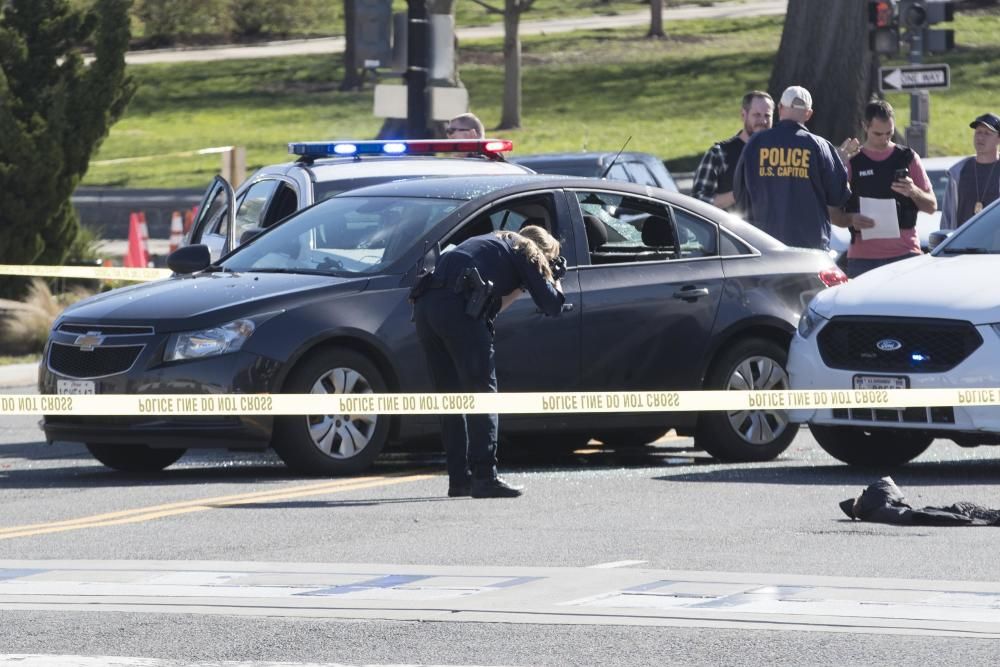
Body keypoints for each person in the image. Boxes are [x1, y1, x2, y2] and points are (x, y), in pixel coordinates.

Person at [411, 226, 566, 499]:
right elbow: (552, 305)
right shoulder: (525, 250)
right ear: (542, 250)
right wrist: (554, 278)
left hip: (427, 307)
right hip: (455, 309)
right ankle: (485, 477)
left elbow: (491, 309)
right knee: (484, 395)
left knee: (450, 398)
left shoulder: (495, 241)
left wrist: (522, 285)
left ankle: (459, 479)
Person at [733, 85, 873, 250]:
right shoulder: (819, 146)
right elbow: (838, 196)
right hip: (810, 248)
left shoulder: (755, 143)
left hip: (764, 246)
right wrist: (840, 164)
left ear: (780, 108)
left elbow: (739, 193)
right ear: (808, 114)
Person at [842, 100, 937, 278]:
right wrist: (851, 218)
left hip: (906, 255)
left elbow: (931, 206)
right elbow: (833, 212)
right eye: (878, 134)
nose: (884, 139)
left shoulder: (908, 157)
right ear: (865, 126)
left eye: (889, 133)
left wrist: (913, 191)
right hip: (863, 259)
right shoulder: (852, 161)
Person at [691, 90, 774, 214]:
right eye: (757, 115)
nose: (763, 121)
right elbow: (696, 202)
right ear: (743, 115)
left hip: (769, 232)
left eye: (767, 115)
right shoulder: (719, 154)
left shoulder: (779, 155)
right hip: (730, 231)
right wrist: (737, 194)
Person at [941, 112, 1000, 230]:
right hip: (962, 246)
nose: (980, 137)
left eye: (987, 133)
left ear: (998, 139)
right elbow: (947, 216)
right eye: (978, 132)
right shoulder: (958, 172)